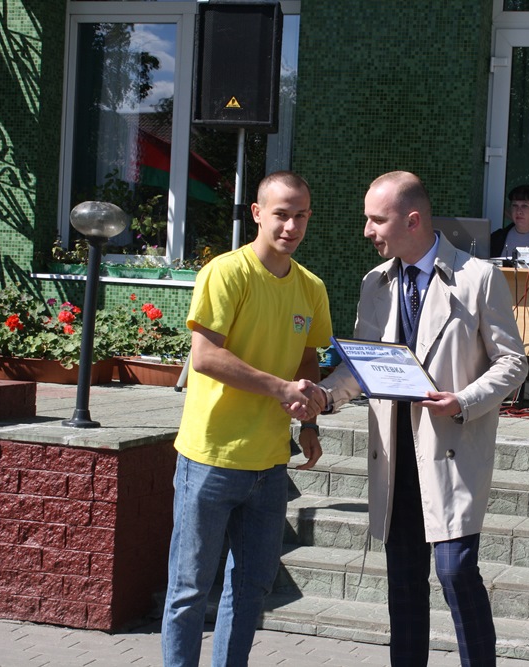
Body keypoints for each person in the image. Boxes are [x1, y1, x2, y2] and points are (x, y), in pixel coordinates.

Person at [316, 171, 527, 666]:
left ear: (412, 220)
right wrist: (324, 397)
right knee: (405, 581)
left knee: (455, 573)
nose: (367, 230)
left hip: (451, 452)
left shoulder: (478, 278)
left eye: (376, 219)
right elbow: (363, 366)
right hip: (394, 456)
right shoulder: (375, 283)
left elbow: (513, 363)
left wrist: (464, 400)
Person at [161, 171, 332, 667]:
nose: (291, 226)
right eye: (281, 214)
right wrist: (280, 389)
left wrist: (309, 423)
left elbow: (308, 358)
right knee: (189, 589)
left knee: (251, 588)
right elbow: (205, 357)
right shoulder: (226, 273)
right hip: (210, 457)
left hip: (270, 464)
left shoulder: (311, 287)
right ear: (257, 213)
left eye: (301, 216)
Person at [489, 184, 529, 407]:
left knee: (528, 329)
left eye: (525, 206)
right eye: (515, 206)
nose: (519, 211)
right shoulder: (498, 237)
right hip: (500, 297)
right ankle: (524, 385)